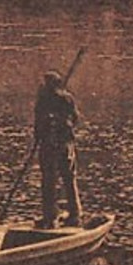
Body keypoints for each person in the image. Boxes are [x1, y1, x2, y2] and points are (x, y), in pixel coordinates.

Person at [33, 69, 83, 228]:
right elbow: (75, 119)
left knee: (51, 181)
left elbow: (38, 125)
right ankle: (69, 215)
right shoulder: (64, 99)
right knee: (65, 179)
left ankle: (54, 217)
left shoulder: (46, 100)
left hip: (55, 145)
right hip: (60, 144)